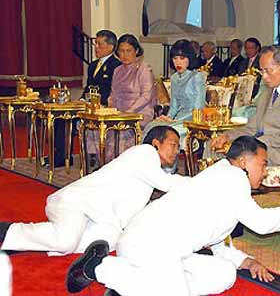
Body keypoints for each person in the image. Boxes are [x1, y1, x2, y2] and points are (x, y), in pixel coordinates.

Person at [65, 136, 280, 296]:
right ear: (243, 161)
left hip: (169, 251)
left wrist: (247, 262)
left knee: (224, 274)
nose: (264, 172)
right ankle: (99, 268)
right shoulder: (233, 178)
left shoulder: (222, 176)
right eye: (263, 164)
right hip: (148, 245)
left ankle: (133, 286)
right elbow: (262, 223)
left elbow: (216, 238)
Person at [0, 126, 188, 255]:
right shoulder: (144, 152)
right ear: (156, 143)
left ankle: (34, 240)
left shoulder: (151, 166)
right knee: (66, 241)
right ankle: (8, 231)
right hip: (75, 203)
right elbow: (167, 183)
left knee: (112, 240)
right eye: (173, 144)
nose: (176, 150)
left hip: (99, 215)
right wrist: (198, 183)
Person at [211, 45, 280, 166]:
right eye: (261, 71)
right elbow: (253, 126)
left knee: (239, 155)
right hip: (259, 146)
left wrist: (256, 143)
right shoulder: (268, 91)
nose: (263, 76)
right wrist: (227, 136)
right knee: (213, 145)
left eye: (267, 71)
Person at [47, 30, 121, 168]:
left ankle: (80, 156)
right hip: (87, 104)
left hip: (103, 106)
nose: (96, 48)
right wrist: (81, 100)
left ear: (111, 47)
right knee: (60, 117)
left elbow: (111, 90)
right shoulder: (93, 65)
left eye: (99, 44)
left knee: (68, 119)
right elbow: (88, 87)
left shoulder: (116, 66)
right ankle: (61, 155)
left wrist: (94, 102)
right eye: (95, 44)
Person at [87, 34, 157, 164]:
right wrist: (110, 109)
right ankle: (104, 164)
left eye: (128, 51)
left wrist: (129, 111)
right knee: (95, 127)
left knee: (119, 131)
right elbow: (113, 94)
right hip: (119, 111)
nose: (124, 55)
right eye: (121, 51)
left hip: (139, 113)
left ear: (136, 51)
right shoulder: (118, 70)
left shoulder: (144, 69)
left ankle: (120, 165)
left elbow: (146, 96)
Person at [143, 39, 206, 150]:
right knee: (151, 126)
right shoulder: (174, 78)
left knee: (167, 134)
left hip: (193, 120)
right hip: (177, 119)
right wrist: (168, 117)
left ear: (189, 59)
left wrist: (176, 121)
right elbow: (174, 105)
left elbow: (198, 108)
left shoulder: (197, 77)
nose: (178, 62)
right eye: (175, 58)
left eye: (182, 58)